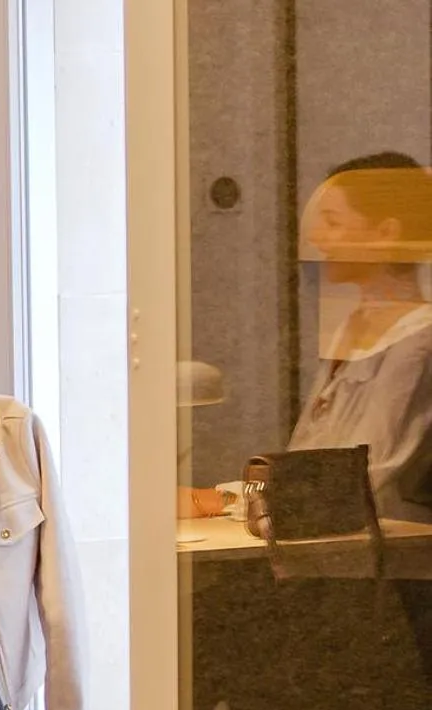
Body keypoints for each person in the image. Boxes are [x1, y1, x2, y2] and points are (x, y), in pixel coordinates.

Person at [181, 153, 432, 522]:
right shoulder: (351, 330)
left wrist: (221, 500)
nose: (316, 237)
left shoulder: (417, 343)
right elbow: (306, 457)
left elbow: (363, 481)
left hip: (382, 547)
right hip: (320, 539)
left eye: (332, 222)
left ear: (386, 234)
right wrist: (229, 498)